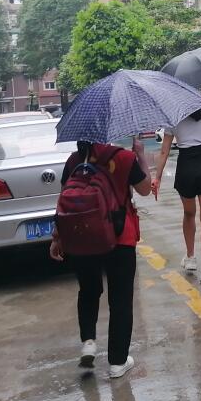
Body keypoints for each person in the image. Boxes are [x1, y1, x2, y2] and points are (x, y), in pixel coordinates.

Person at [50, 138, 152, 379]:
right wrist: (140, 155)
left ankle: (88, 341)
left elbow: (64, 201)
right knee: (120, 299)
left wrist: (57, 237)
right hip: (119, 237)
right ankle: (117, 362)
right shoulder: (123, 158)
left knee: (88, 291)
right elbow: (145, 189)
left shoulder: (73, 161)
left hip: (81, 237)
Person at [152, 109, 201, 282]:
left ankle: (191, 258)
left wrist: (157, 178)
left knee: (189, 214)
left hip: (186, 168)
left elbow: (164, 152)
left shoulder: (173, 118)